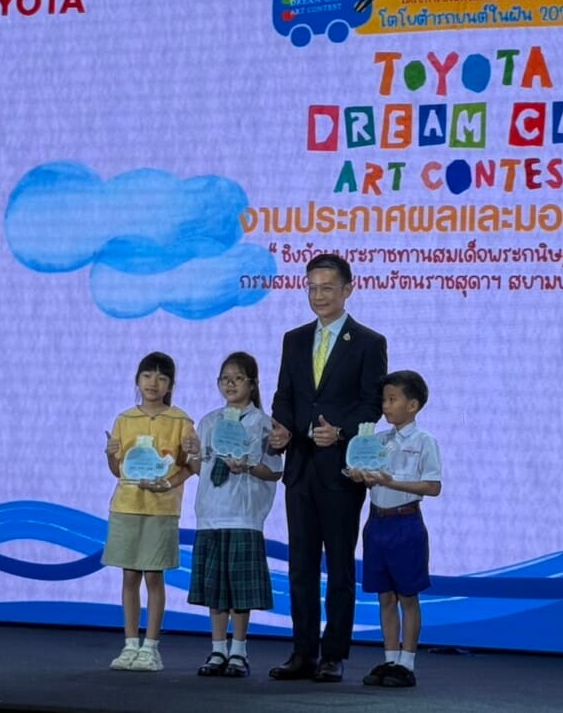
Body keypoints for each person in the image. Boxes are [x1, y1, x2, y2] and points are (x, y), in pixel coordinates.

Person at [267, 252, 388, 683]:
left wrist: (340, 432)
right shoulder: (294, 339)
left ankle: (333, 654)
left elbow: (372, 405)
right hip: (300, 466)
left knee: (339, 566)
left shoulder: (369, 342)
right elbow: (284, 394)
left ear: (348, 290)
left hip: (340, 470)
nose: (318, 296)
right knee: (300, 566)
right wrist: (283, 428)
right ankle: (303, 652)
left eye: (327, 288)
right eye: (312, 288)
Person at [181, 351, 283, 679]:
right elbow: (200, 468)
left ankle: (239, 650)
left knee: (240, 589)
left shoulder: (263, 424)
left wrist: (248, 466)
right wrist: (191, 453)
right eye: (225, 379)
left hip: (244, 515)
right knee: (215, 589)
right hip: (211, 513)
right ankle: (217, 649)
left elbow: (275, 471)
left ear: (252, 384)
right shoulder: (209, 421)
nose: (230, 384)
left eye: (238, 378)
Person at [348, 370, 442, 689]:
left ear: (412, 405)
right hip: (377, 523)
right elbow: (365, 475)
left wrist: (393, 482)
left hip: (406, 523)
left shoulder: (425, 441)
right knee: (384, 595)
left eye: (392, 400)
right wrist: (359, 476)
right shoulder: (376, 441)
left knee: (407, 596)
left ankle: (407, 662)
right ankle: (390, 658)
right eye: (384, 400)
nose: (386, 406)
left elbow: (433, 486)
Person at [102, 351, 196, 672]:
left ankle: (151, 648)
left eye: (161, 377)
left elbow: (190, 466)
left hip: (162, 509)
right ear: (137, 380)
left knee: (154, 576)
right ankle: (130, 644)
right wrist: (111, 455)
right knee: (130, 575)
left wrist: (169, 484)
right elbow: (119, 471)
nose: (153, 383)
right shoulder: (124, 419)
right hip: (126, 506)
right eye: (147, 375)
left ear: (170, 385)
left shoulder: (181, 421)